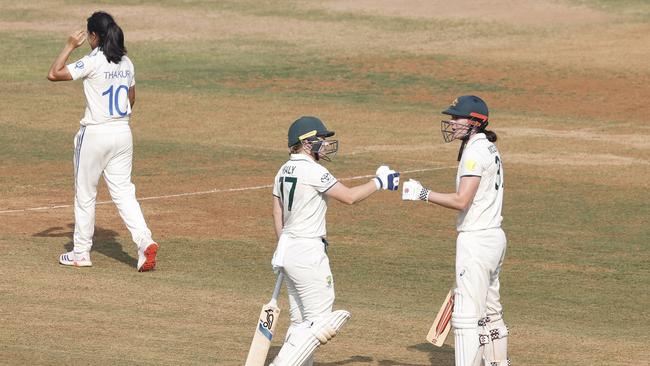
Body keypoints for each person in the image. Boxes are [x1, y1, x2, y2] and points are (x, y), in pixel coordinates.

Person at [269, 116, 399, 366]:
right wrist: (379, 182)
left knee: (300, 323)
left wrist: (284, 246)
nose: (325, 144)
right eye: (320, 139)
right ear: (306, 143)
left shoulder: (283, 170)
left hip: (287, 250)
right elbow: (349, 197)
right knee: (320, 321)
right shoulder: (314, 170)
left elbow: (277, 211)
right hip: (308, 252)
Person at [47, 11, 158, 272]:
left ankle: (81, 253)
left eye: (88, 35)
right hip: (123, 133)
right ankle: (145, 242)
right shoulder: (126, 62)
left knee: (86, 195)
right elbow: (131, 99)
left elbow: (55, 73)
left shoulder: (93, 60)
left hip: (96, 134)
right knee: (124, 194)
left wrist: (69, 45)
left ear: (94, 36)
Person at [402, 96, 509, 366]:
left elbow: (462, 201)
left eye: (456, 118)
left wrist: (422, 194)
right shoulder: (488, 148)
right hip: (494, 238)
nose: (451, 123)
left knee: (466, 317)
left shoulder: (474, 152)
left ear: (474, 122)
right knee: (491, 313)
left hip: (476, 241)